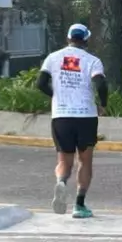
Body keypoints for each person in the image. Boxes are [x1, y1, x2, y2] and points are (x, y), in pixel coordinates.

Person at [36, 24, 108, 219]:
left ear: (68, 38)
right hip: (85, 116)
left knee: (63, 159)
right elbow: (100, 83)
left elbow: (40, 83)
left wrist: (55, 96)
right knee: (85, 161)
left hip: (61, 115)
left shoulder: (53, 58)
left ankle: (61, 181)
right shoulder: (92, 61)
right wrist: (103, 104)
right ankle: (79, 204)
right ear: (85, 40)